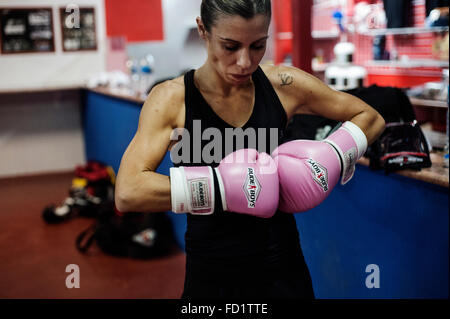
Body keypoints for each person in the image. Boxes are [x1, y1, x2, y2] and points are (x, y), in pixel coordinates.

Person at [115, 0, 385, 299]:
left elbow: (371, 118)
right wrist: (222, 187)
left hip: (283, 268)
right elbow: (128, 191)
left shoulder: (284, 85)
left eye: (257, 45)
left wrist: (334, 155)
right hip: (211, 273)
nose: (245, 61)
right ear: (203, 30)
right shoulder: (172, 99)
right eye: (230, 46)